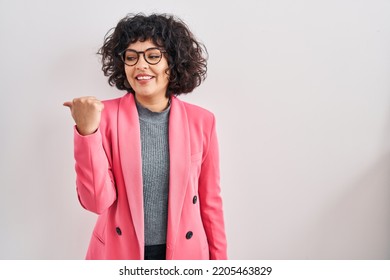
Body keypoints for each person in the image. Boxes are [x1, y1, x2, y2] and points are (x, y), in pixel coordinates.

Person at [63, 13, 227, 260]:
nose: (140, 66)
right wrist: (87, 132)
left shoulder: (202, 121)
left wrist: (221, 265)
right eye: (131, 57)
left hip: (187, 255)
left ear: (173, 62)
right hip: (120, 254)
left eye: (152, 56)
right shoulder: (102, 117)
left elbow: (210, 201)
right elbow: (96, 202)